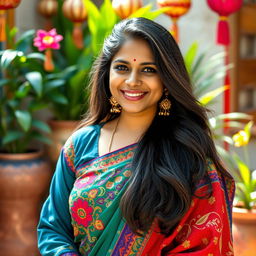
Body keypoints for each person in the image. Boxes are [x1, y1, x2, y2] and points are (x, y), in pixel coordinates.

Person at [37, 17, 235, 256]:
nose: (132, 81)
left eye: (149, 70)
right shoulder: (81, 144)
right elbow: (53, 228)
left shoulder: (188, 154)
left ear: (167, 80)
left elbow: (205, 246)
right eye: (122, 67)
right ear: (106, 72)